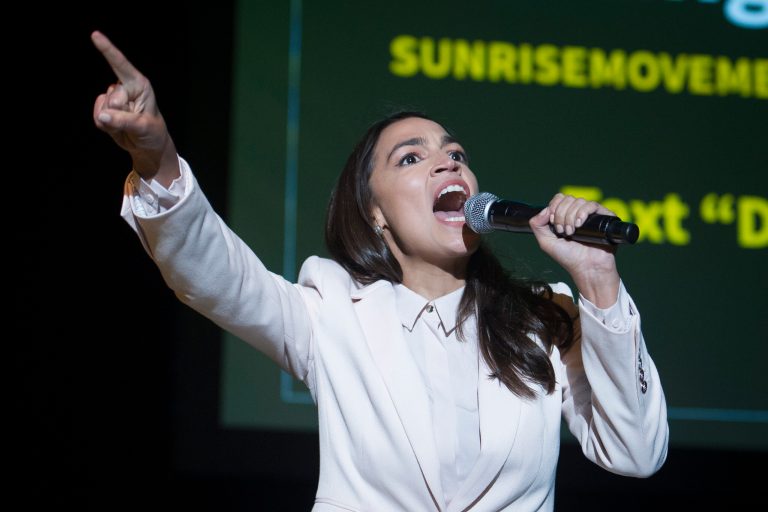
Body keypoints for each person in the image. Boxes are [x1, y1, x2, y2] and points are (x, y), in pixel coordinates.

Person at [91, 30, 668, 511]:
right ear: (377, 214)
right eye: (411, 158)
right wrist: (156, 157)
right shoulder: (333, 310)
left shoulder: (545, 316)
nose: (448, 161)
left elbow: (636, 453)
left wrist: (598, 277)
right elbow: (214, 273)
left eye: (456, 154)